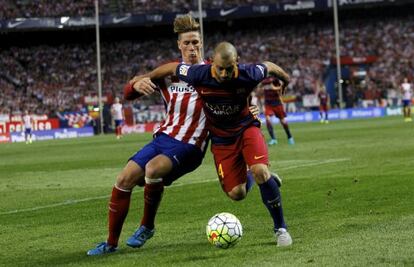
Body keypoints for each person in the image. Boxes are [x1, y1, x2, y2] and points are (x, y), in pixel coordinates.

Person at [87, 15, 259, 256]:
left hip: (191, 145)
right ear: (179, 45)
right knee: (124, 179)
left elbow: (240, 93)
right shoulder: (169, 72)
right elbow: (129, 91)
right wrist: (135, 86)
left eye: (196, 42)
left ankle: (147, 227)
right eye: (187, 43)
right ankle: (111, 243)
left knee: (153, 170)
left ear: (202, 43)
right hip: (163, 138)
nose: (192, 47)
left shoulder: (214, 72)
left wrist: (250, 108)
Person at [139, 42, 293, 246]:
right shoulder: (198, 74)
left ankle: (280, 229)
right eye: (219, 68)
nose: (224, 73)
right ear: (212, 64)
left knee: (260, 170)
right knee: (237, 194)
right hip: (221, 140)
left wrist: (286, 81)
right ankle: (257, 176)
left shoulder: (249, 73)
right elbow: (171, 68)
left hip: (247, 129)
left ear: (237, 63)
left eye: (229, 69)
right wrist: (146, 78)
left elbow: (270, 66)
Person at [256, 77, 294, 145]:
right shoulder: (263, 79)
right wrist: (259, 89)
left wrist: (274, 88)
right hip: (268, 103)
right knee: (267, 119)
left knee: (283, 121)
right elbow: (260, 88)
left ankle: (289, 137)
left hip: (277, 103)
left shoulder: (275, 79)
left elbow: (282, 87)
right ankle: (273, 139)